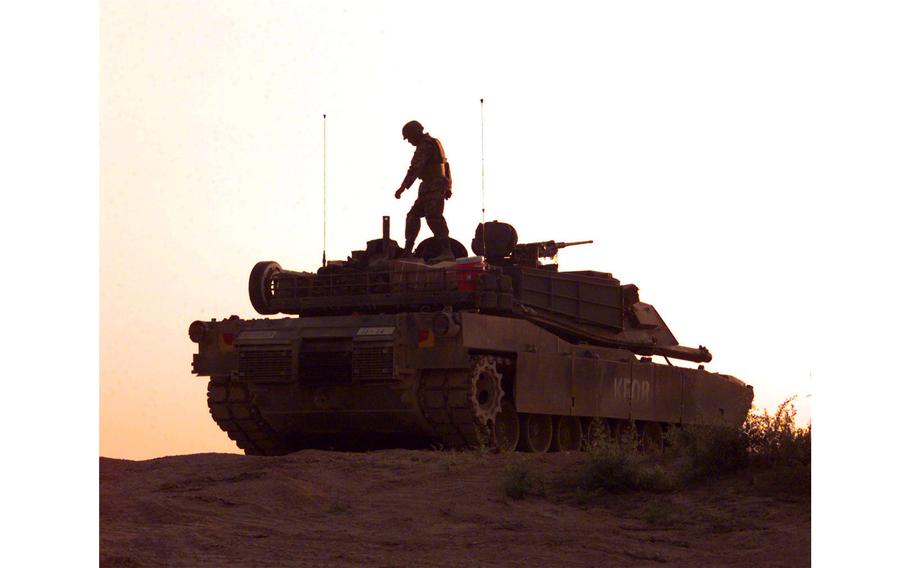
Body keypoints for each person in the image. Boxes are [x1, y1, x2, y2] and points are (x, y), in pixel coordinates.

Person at [394, 120, 454, 261]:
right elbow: (447, 166)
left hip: (434, 187)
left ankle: (447, 251)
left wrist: (403, 187)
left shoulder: (425, 145)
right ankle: (408, 249)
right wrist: (449, 186)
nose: (409, 141)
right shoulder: (434, 142)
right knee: (413, 215)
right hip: (430, 187)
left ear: (415, 133)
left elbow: (416, 167)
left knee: (434, 218)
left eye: (409, 137)